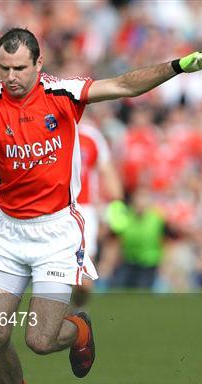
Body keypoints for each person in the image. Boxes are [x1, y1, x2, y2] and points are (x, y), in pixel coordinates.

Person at [0, 28, 202, 384]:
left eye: (20, 68)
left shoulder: (64, 93)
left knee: (40, 341)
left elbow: (126, 86)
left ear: (39, 64)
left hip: (57, 232)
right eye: (4, 68)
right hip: (8, 232)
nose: (11, 76)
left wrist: (179, 66)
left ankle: (78, 329)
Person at [72, 120, 123, 306]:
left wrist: (116, 205)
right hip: (53, 210)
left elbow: (107, 170)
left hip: (84, 211)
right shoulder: (47, 130)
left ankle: (77, 313)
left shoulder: (91, 136)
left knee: (84, 280)